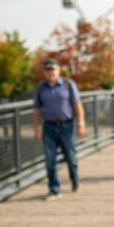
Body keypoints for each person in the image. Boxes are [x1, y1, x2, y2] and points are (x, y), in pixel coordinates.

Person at [33, 59, 85, 199]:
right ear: (44, 72)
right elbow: (37, 109)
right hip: (48, 127)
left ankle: (74, 180)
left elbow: (77, 105)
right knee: (50, 159)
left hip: (67, 126)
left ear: (58, 71)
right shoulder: (40, 88)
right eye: (48, 70)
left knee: (71, 156)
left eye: (53, 70)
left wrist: (80, 123)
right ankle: (54, 188)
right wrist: (37, 127)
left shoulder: (68, 85)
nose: (51, 73)